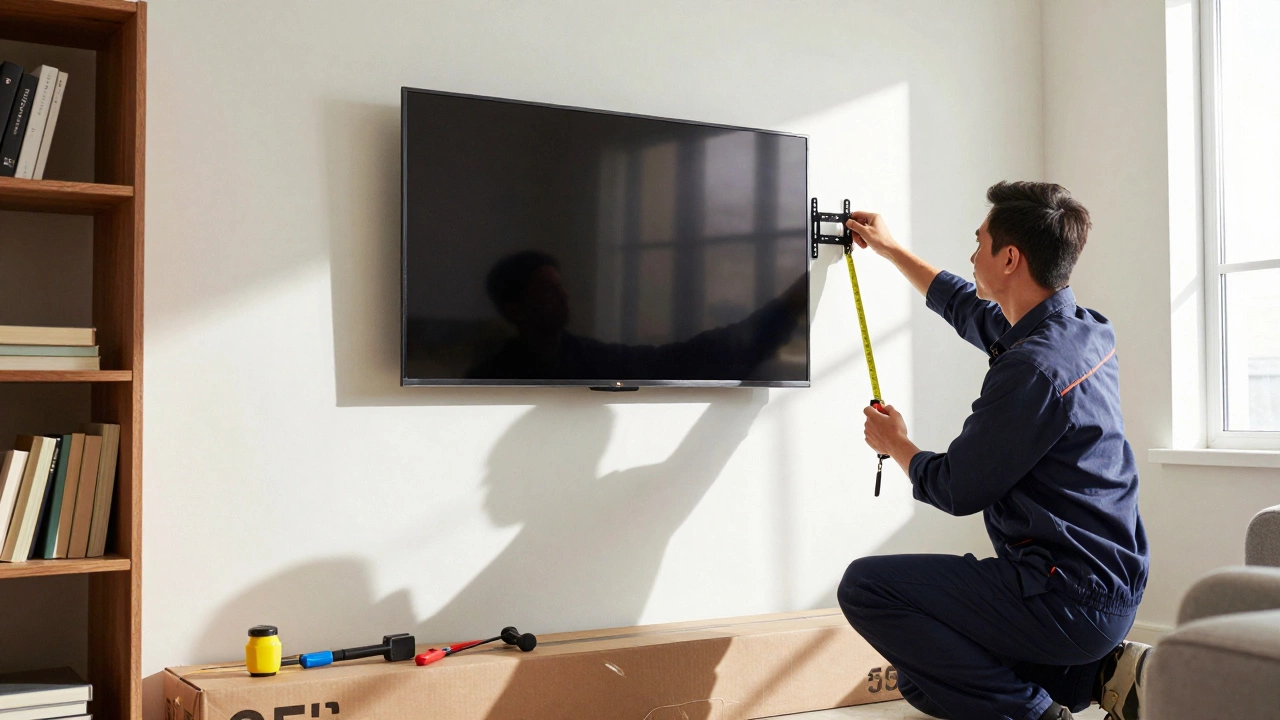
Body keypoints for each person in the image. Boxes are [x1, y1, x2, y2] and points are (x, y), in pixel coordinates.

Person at [836, 182, 1150, 720]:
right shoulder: (1084, 329)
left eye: (978, 242)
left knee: (865, 588)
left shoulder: (1032, 369)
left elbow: (956, 488)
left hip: (1066, 597)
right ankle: (1099, 674)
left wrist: (897, 444)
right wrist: (890, 250)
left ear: (1009, 258)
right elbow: (967, 307)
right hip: (1109, 588)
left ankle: (1038, 714)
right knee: (921, 682)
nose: (972, 254)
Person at [467, 250, 807, 381]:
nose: (565, 296)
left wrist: (787, 306)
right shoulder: (489, 377)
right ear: (514, 308)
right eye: (547, 290)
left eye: (562, 287)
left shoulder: (590, 357)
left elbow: (682, 359)